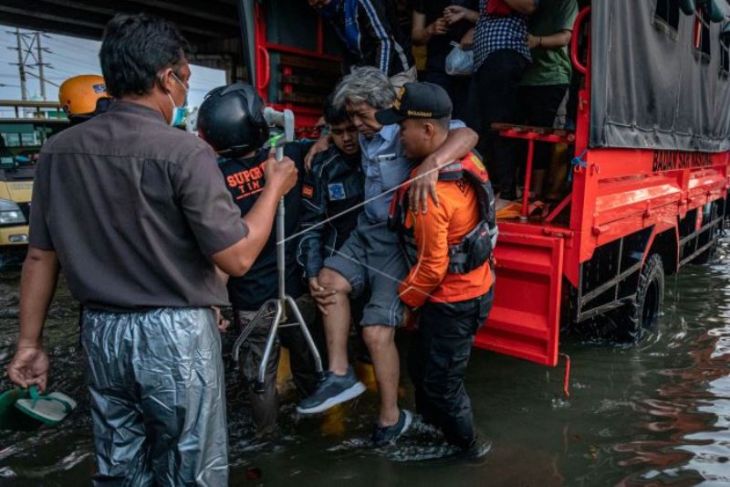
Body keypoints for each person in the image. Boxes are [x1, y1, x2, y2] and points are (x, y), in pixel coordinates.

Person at [5, 14, 298, 485]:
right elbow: (237, 256)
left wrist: (29, 345)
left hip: (99, 331)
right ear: (167, 78)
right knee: (191, 467)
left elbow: (40, 257)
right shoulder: (184, 153)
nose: (184, 93)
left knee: (120, 464)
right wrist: (273, 190)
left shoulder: (58, 152)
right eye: (184, 80)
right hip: (175, 335)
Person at [297, 66, 478, 447]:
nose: (358, 125)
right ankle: (339, 373)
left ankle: (391, 419)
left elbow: (466, 133)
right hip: (367, 230)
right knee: (329, 283)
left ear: (384, 108)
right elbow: (342, 126)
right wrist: (325, 138)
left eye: (362, 115)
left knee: (376, 331)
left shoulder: (408, 127)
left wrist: (434, 161)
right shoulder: (362, 130)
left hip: (397, 240)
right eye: (352, 118)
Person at [197, 82, 322, 439]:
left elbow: (216, 250)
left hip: (250, 303)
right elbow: (322, 141)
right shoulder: (290, 158)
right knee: (309, 363)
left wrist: (215, 303)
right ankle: (317, 424)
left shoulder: (214, 179)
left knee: (259, 378)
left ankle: (267, 439)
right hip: (297, 293)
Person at [377, 81, 495, 452]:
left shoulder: (430, 196)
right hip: (474, 290)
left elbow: (431, 269)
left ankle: (469, 449)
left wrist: (403, 301)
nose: (398, 136)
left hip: (453, 302)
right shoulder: (466, 158)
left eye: (403, 127)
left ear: (428, 130)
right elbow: (465, 134)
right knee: (421, 368)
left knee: (443, 385)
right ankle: (433, 430)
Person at [444, 0, 538, 201]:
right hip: (485, 59)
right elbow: (488, 18)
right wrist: (467, 13)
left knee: (499, 124)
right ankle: (486, 188)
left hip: (504, 54)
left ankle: (506, 191)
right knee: (478, 125)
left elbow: (529, 5)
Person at [298, 96, 363, 291]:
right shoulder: (322, 167)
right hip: (336, 260)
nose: (346, 138)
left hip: (379, 256)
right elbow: (310, 224)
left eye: (352, 130)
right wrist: (312, 271)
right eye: (337, 132)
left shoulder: (378, 155)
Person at [518, 0, 578, 199]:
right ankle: (524, 189)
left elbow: (565, 37)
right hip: (524, 75)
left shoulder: (566, 3)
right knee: (522, 136)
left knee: (546, 135)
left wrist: (537, 41)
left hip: (552, 77)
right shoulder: (528, 4)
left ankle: (541, 192)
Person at [308, 0, 416, 87]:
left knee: (387, 111)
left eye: (321, 3)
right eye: (315, 6)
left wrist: (378, 83)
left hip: (396, 71)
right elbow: (347, 50)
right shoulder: (331, 11)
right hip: (365, 74)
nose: (320, 8)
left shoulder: (362, 2)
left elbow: (384, 42)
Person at [411, 0, 478, 119]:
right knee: (435, 115)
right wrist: (430, 30)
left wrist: (469, 17)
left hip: (471, 65)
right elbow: (416, 36)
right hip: (437, 64)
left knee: (468, 118)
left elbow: (494, 21)